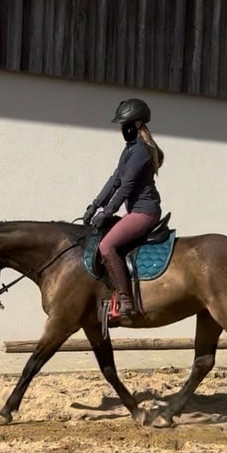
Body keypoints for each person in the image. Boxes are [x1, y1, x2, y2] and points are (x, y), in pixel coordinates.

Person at [82, 98, 165, 318]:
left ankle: (126, 301)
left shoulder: (140, 150)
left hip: (144, 212)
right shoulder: (129, 149)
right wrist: (95, 205)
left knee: (107, 246)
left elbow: (126, 186)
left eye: (125, 124)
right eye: (121, 124)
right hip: (135, 210)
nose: (122, 128)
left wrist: (107, 212)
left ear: (137, 124)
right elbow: (115, 180)